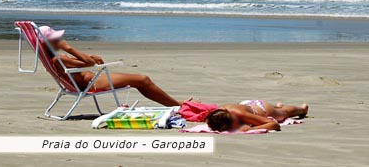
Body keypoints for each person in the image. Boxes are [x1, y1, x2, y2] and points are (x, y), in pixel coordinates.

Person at [39, 25, 180, 107]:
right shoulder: (59, 58)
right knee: (143, 80)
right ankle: (176, 105)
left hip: (91, 79)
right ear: (48, 43)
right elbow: (89, 63)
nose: (60, 40)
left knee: (142, 81)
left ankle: (174, 103)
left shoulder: (57, 59)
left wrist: (89, 58)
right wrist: (68, 47)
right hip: (92, 83)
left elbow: (86, 62)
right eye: (56, 39)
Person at [205, 100, 309, 132]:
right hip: (246, 104)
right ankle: (278, 106)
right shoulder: (216, 114)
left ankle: (302, 109)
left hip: (262, 109)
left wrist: (252, 128)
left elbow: (274, 124)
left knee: (283, 113)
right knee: (279, 109)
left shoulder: (241, 115)